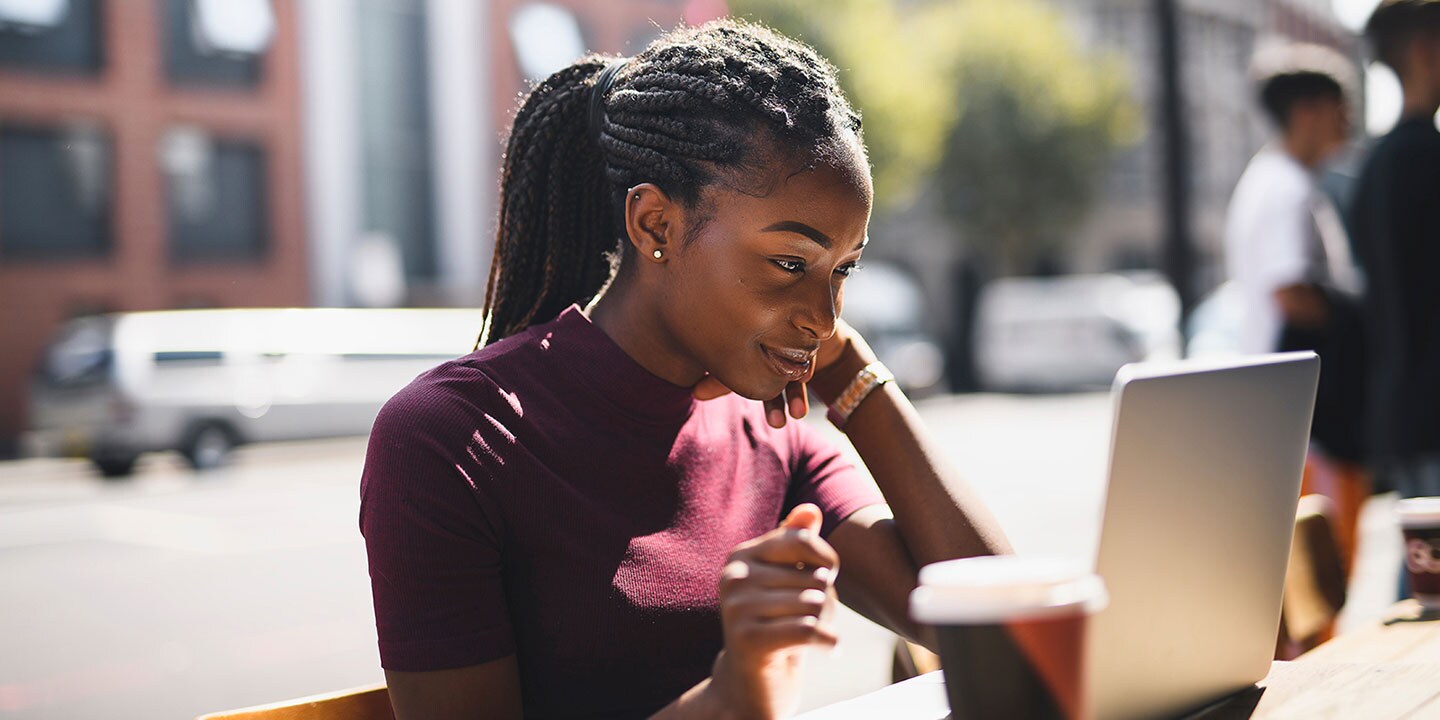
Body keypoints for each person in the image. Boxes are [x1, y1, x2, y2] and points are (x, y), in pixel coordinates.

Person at [358, 20, 1010, 720]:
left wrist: (853, 374)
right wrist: (732, 697)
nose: (823, 314)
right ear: (656, 226)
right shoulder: (452, 439)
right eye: (792, 263)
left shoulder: (772, 439)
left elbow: (1002, 633)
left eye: (843, 269)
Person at [1223, 44, 1369, 579]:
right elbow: (1291, 292)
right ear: (1306, 111)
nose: (1349, 118)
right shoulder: (1285, 188)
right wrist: (1359, 324)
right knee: (1320, 578)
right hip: (1307, 421)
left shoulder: (1279, 180)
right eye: (1341, 104)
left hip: (1294, 416)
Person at [1353, 3, 1440, 511]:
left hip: (1401, 410)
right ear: (1425, 51)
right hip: (1432, 413)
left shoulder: (1374, 166)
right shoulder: (1425, 158)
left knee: (1421, 571)